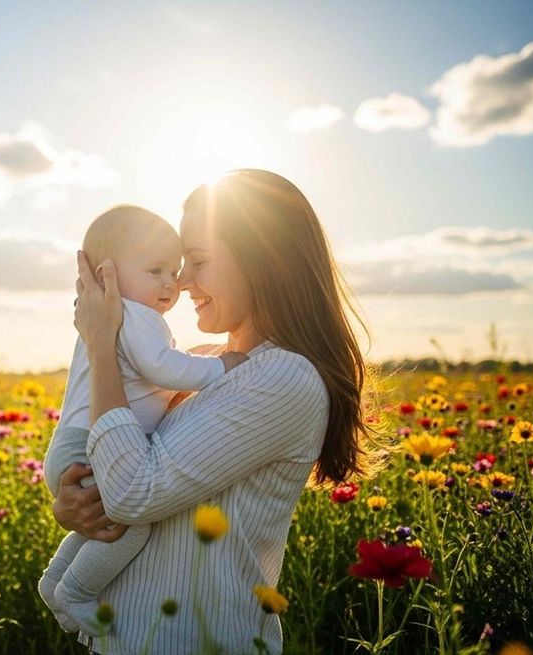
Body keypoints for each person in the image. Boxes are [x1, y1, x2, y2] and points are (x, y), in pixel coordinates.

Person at [57, 169, 377, 654]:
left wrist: (103, 343)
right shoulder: (204, 363)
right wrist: (79, 507)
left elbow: (132, 494)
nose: (182, 282)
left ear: (261, 262)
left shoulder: (283, 378)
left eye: (198, 262)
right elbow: (120, 480)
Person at [39, 204, 249, 635]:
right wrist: (222, 367)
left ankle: (56, 579)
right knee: (129, 527)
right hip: (89, 448)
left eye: (173, 271)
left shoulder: (113, 319)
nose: (172, 283)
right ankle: (76, 590)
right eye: (155, 270)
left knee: (101, 523)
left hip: (73, 444)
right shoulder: (136, 317)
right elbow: (163, 368)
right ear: (107, 273)